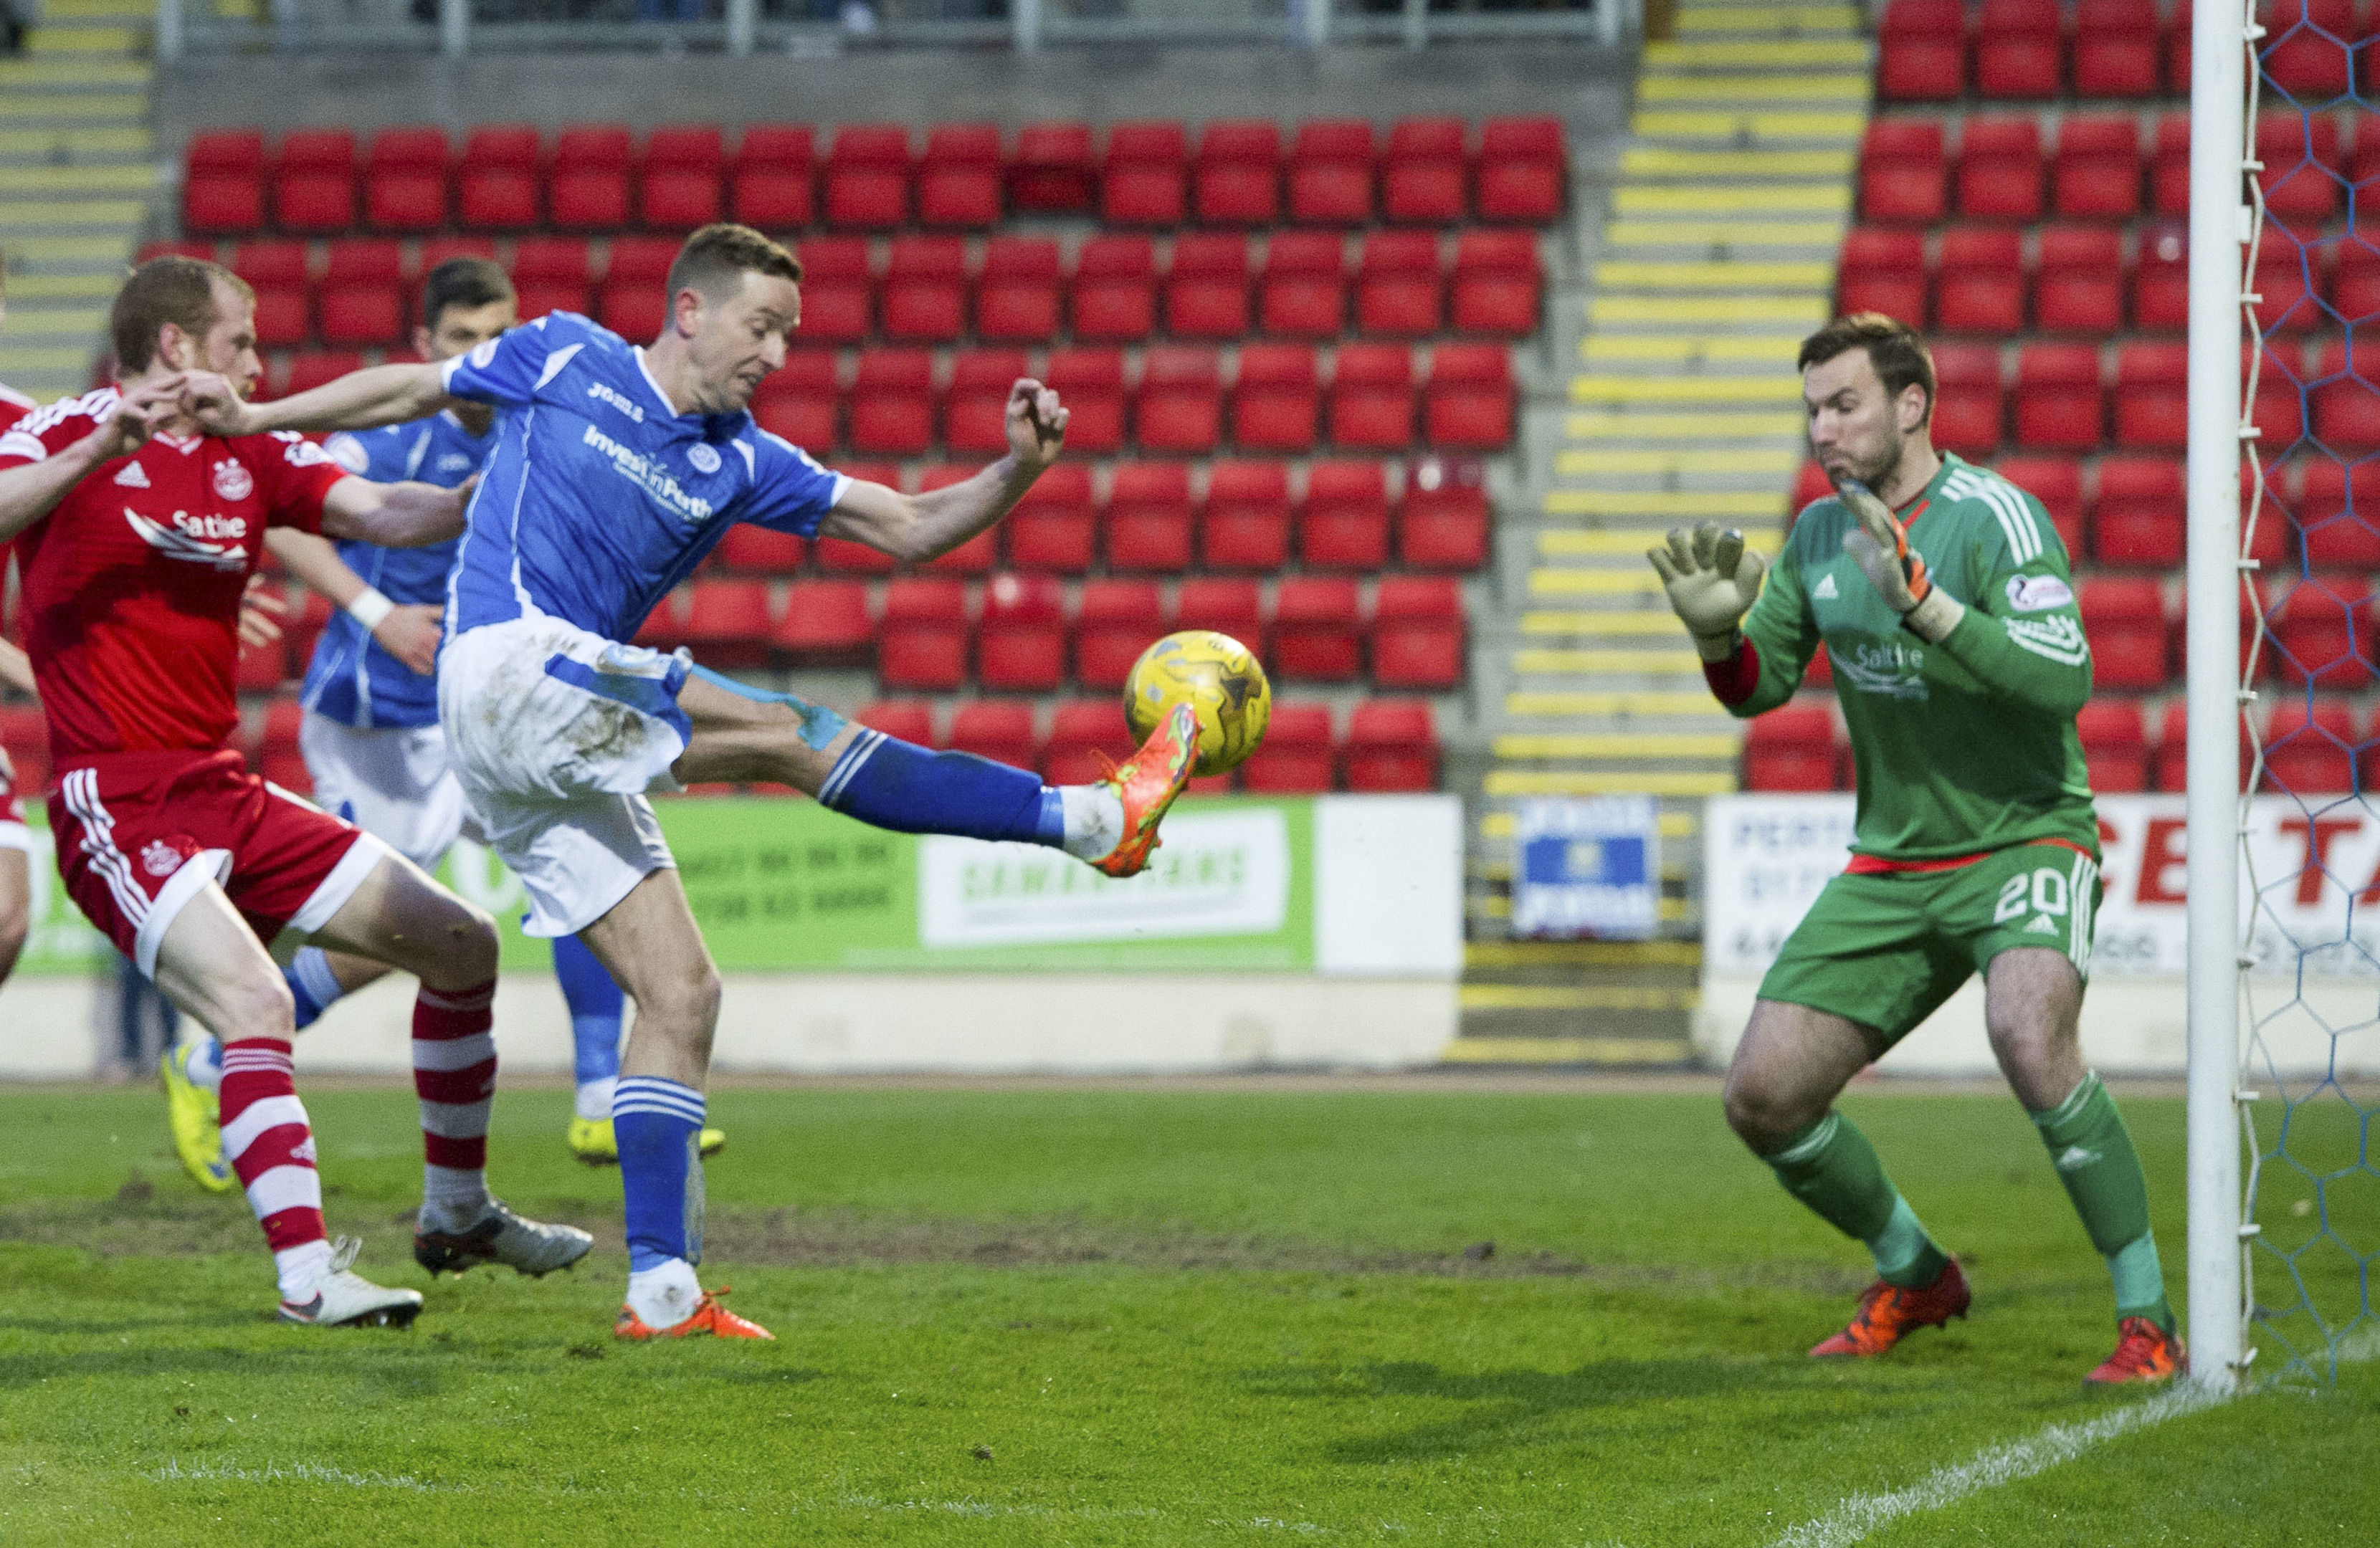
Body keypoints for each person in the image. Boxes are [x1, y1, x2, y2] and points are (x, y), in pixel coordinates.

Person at [184, 221, 1199, 1342]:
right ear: (690, 313)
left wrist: (1019, 470)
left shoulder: (743, 458)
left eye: (790, 336)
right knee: (787, 731)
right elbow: (409, 391)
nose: (775, 354)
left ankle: (662, 1291)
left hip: (536, 736)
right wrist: (263, 419)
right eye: (761, 327)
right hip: (507, 660)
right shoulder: (563, 353)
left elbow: (907, 526)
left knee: (682, 994)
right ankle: (1091, 818)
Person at [0, 254, 593, 1328]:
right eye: (240, 341)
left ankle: (458, 1214)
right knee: (256, 1003)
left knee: (461, 944)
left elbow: (386, 514)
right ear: (175, 346)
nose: (258, 363)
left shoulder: (250, 450)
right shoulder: (60, 431)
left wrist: (483, 492)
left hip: (226, 789)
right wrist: (100, 448)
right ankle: (308, 1275)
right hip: (116, 805)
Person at [1647, 312, 2184, 1385]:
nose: (1823, 430)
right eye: (1810, 411)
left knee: (2031, 1037)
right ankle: (1918, 1272)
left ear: (1911, 405)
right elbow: (1764, 687)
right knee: (1761, 1097)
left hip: (2024, 838)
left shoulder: (1998, 520)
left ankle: (2148, 1319)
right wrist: (1717, 636)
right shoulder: (1814, 537)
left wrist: (1930, 609)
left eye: (1842, 405)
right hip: (1893, 864)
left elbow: (2063, 680)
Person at [157, 255, 722, 1172]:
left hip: (488, 711)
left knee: (587, 869)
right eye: (460, 339)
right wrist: (378, 617)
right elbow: (283, 513)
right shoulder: (388, 440)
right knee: (397, 935)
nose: (479, 353)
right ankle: (208, 1054)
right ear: (427, 345)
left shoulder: (531, 425)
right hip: (383, 718)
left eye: (493, 334)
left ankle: (595, 1093)